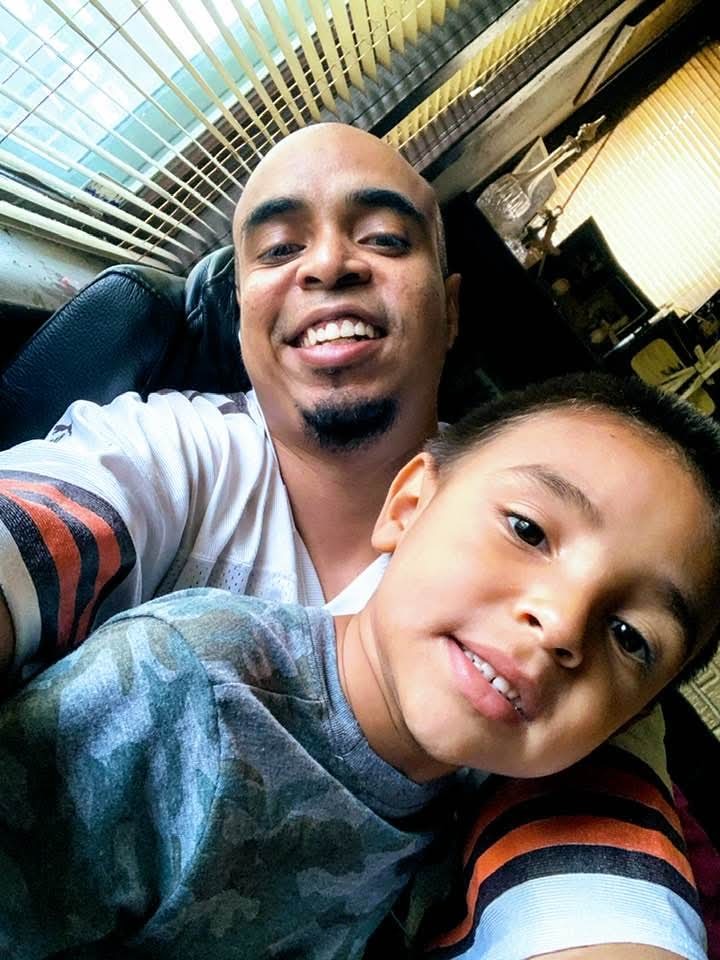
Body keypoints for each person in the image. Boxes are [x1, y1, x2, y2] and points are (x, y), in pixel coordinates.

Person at [0, 124, 708, 960]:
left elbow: (593, 892)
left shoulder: (571, 608)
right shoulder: (156, 460)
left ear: (450, 309)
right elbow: (34, 528)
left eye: (383, 239)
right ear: (240, 319)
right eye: (277, 248)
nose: (329, 264)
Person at [1, 373, 719, 959]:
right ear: (408, 506)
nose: (561, 623)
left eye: (630, 635)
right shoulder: (182, 693)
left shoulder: (480, 824)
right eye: (528, 530)